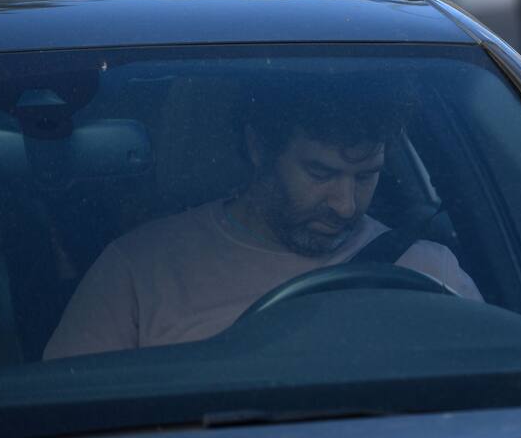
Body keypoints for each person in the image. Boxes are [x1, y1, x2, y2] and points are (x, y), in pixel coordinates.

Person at [44, 84, 480, 360]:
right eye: (320, 173)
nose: (346, 206)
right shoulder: (139, 271)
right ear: (259, 149)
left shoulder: (428, 273)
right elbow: (63, 431)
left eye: (366, 176)